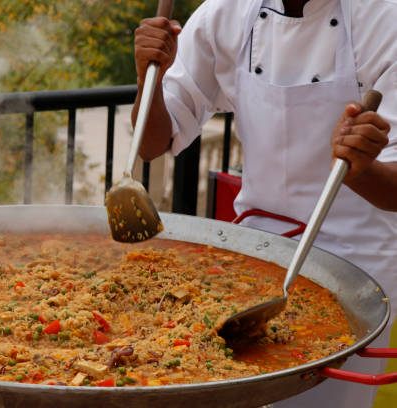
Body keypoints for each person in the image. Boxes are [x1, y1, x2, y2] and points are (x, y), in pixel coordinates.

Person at [133, 0, 397, 407]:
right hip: (251, 259)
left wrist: (359, 167)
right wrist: (147, 74)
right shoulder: (226, 12)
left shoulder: (384, 18)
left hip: (355, 268)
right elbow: (152, 144)